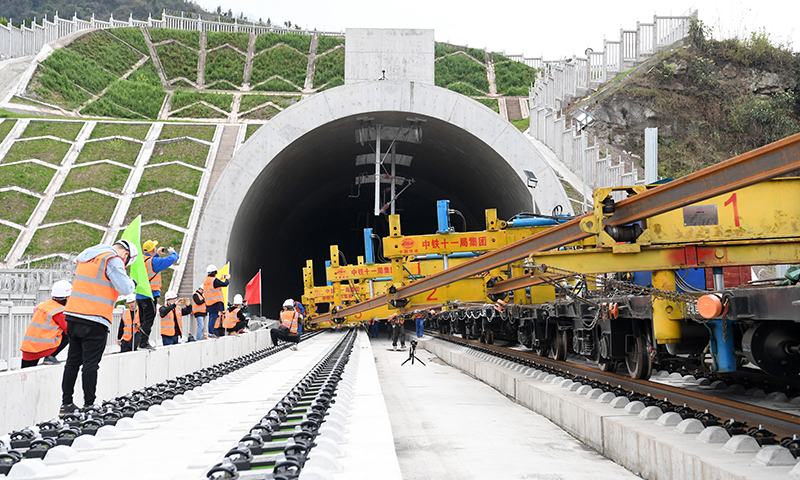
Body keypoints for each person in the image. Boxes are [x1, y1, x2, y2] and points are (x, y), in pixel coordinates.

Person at [61, 240, 136, 415]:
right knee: (90, 363)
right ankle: (89, 405)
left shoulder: (87, 256)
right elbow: (125, 288)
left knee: (72, 362)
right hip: (94, 318)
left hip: (73, 315)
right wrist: (131, 282)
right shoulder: (113, 259)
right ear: (125, 255)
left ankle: (66, 404)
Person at [137, 240, 179, 350]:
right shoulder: (154, 262)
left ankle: (140, 341)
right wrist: (172, 252)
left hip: (140, 294)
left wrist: (156, 255)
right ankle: (143, 342)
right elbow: (172, 259)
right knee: (149, 319)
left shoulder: (141, 260)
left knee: (142, 319)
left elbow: (149, 262)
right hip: (150, 294)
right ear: (153, 249)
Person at [20, 280, 72, 368]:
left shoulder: (41, 306)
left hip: (28, 348)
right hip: (45, 349)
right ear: (67, 297)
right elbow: (69, 330)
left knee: (25, 376)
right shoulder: (59, 311)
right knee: (70, 333)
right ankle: (50, 357)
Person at [203, 264, 229, 338]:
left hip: (209, 302)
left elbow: (214, 286)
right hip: (215, 302)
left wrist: (220, 279)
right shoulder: (214, 280)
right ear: (214, 272)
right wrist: (227, 278)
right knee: (213, 317)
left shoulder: (206, 281)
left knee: (211, 317)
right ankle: (211, 333)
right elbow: (225, 284)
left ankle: (210, 332)